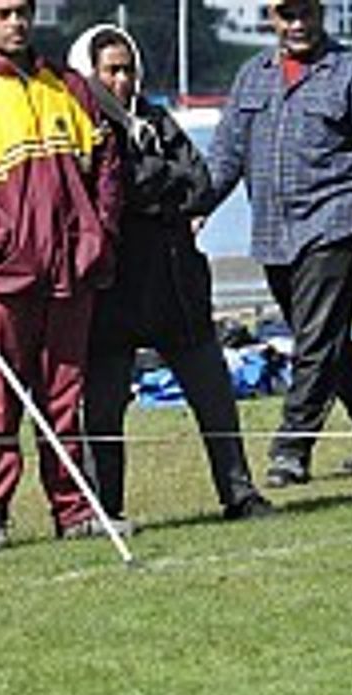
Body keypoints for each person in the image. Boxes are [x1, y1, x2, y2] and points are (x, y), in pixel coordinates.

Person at [202, 0, 352, 489]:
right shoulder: (251, 76)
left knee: (316, 343)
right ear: (271, 17)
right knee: (325, 340)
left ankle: (291, 450)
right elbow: (226, 154)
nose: (297, 24)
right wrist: (196, 208)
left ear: (321, 14)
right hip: (274, 232)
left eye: (306, 13)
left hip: (336, 222)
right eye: (287, 15)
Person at [67, 25, 273, 523]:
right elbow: (121, 188)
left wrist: (153, 184)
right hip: (112, 293)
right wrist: (160, 182)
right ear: (89, 73)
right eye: (111, 71)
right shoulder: (80, 127)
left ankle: (239, 493)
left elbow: (200, 184)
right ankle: (104, 508)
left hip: (177, 287)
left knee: (214, 396)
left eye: (128, 69)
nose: (122, 80)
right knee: (103, 411)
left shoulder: (155, 119)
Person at [0, 0, 124, 549]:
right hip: (5, 280)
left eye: (22, 11)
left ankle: (74, 512)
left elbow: (107, 166)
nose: (16, 23)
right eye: (3, 13)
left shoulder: (67, 85)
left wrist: (99, 235)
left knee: (64, 402)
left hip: (72, 273)